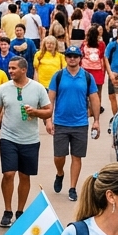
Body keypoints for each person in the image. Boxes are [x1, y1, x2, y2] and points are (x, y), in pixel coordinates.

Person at [0, 56, 53, 228]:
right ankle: (7, 211)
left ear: (24, 70)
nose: (10, 71)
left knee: (25, 176)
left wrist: (35, 112)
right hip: (8, 137)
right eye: (9, 68)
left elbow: (48, 111)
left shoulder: (38, 88)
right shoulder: (3, 88)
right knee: (8, 174)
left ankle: (20, 211)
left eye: (13, 68)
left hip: (30, 139)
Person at [47, 46, 101, 203]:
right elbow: (50, 100)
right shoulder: (58, 76)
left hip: (80, 123)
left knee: (77, 157)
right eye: (69, 56)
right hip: (60, 122)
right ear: (65, 58)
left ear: (80, 58)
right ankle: (60, 173)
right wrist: (48, 120)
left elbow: (94, 99)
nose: (72, 58)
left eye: (75, 56)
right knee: (59, 156)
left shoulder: (87, 77)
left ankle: (72, 188)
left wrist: (96, 121)